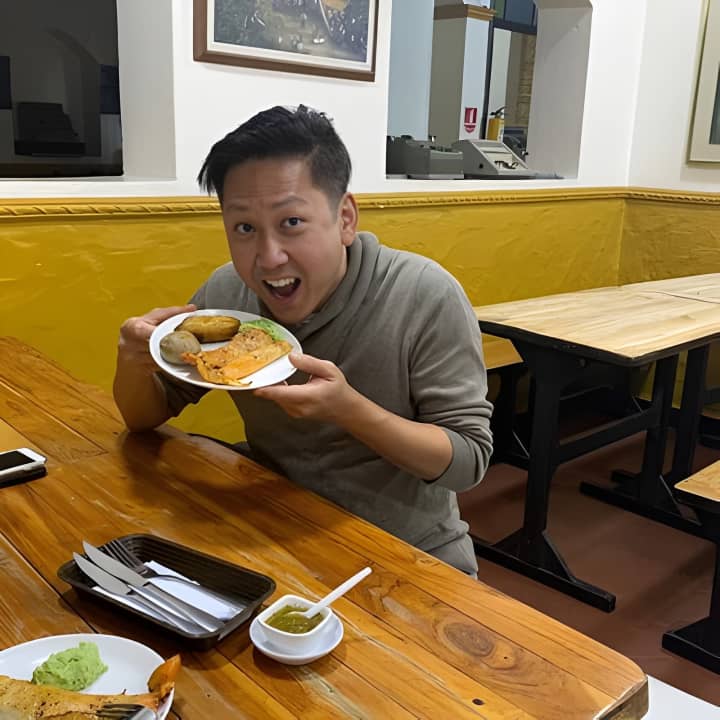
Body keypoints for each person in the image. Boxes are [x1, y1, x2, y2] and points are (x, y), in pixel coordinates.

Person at [113, 105, 493, 576]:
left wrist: (348, 409)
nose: (269, 257)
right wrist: (133, 361)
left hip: (408, 550)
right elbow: (144, 418)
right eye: (244, 228)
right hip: (277, 526)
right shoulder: (227, 295)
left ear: (345, 218)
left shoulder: (423, 295)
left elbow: (468, 461)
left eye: (291, 222)